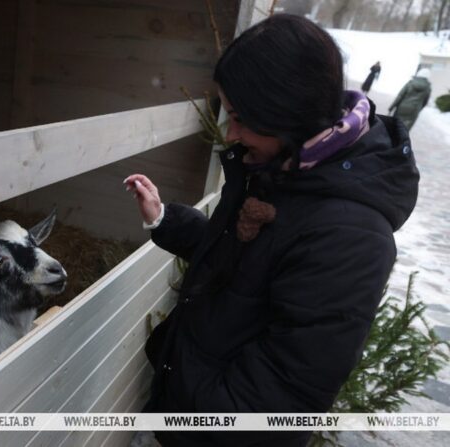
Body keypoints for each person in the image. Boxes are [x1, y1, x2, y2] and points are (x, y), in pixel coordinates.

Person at [124, 14, 419, 447]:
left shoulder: (350, 237)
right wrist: (165, 219)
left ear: (287, 112)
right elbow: (242, 264)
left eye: (242, 117)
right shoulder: (282, 167)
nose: (231, 133)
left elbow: (284, 397)